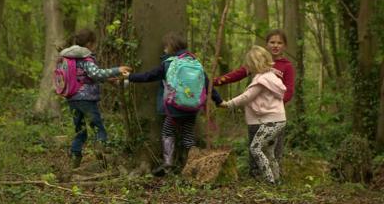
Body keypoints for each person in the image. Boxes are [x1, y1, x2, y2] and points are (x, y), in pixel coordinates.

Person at [122, 32, 223, 176]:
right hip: (193, 108)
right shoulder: (195, 62)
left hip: (175, 109)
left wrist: (130, 77)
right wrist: (218, 101)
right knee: (188, 134)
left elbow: (149, 76)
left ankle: (168, 163)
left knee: (167, 132)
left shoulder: (169, 63)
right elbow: (207, 84)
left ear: (170, 47)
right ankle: (191, 163)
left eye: (165, 47)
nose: (164, 49)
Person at [214, 29, 295, 176]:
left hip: (274, 115)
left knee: (273, 150)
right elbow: (237, 74)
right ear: (267, 44)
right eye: (272, 42)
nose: (275, 45)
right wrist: (216, 82)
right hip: (255, 115)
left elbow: (288, 90)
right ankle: (255, 175)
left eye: (279, 43)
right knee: (254, 145)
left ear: (285, 46)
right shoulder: (258, 62)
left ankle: (274, 177)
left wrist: (277, 105)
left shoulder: (286, 66)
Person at [60, 28, 131, 169]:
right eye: (94, 44)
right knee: (98, 128)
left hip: (72, 99)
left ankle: (75, 157)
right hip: (86, 99)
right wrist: (117, 69)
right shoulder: (86, 59)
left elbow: (85, 77)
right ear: (90, 44)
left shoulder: (68, 59)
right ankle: (100, 149)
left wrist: (110, 79)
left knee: (80, 130)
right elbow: (95, 74)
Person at [220, 45, 286, 184]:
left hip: (271, 122)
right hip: (277, 120)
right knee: (269, 152)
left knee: (255, 148)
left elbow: (246, 97)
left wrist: (228, 104)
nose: (247, 68)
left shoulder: (262, 80)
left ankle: (270, 182)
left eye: (249, 65)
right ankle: (277, 179)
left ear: (255, 64)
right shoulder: (271, 76)